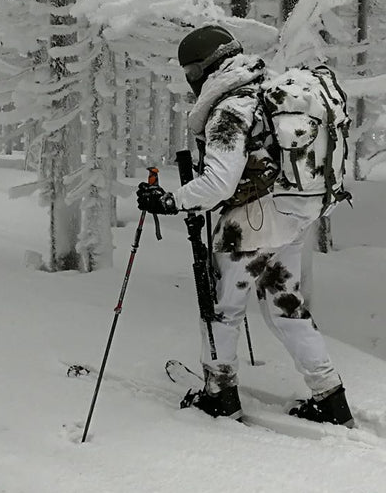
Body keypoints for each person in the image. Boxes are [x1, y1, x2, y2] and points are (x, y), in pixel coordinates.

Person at [136, 25, 354, 427]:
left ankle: (219, 396)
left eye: (190, 73)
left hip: (253, 224)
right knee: (287, 307)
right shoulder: (265, 91)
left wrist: (170, 201)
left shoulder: (231, 108)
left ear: (203, 69)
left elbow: (219, 181)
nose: (190, 83)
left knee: (221, 310)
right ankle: (331, 400)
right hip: (294, 215)